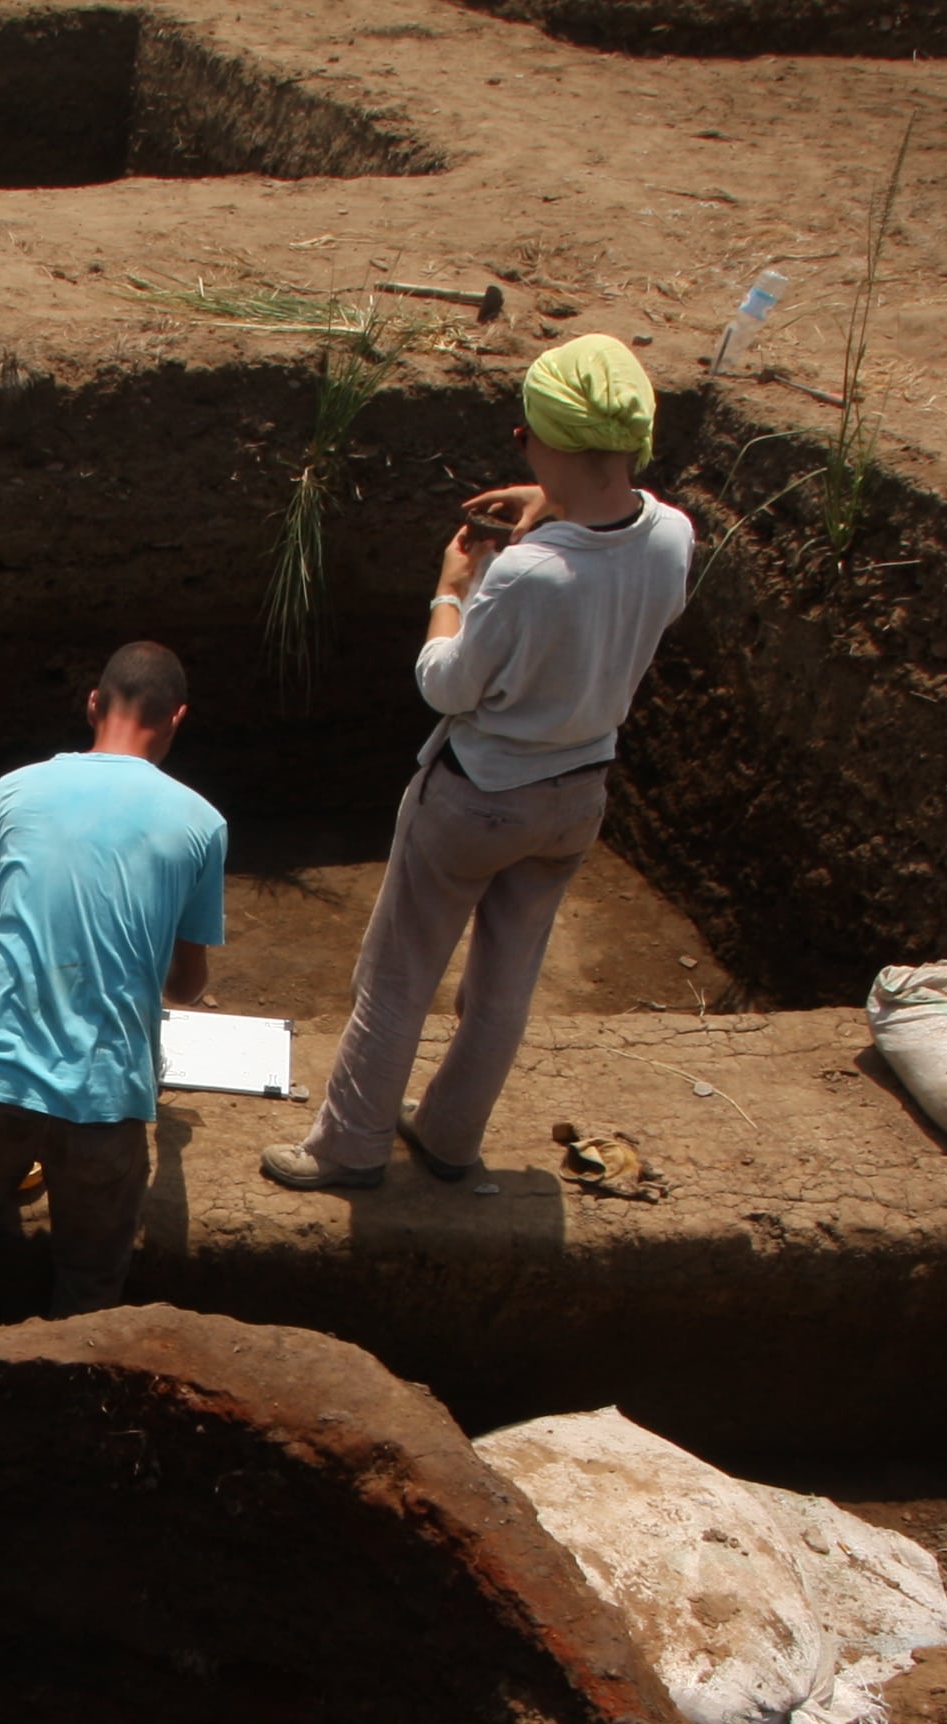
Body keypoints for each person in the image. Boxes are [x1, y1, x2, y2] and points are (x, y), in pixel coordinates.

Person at [264, 333, 692, 1193]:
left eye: (529, 435)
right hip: (577, 795)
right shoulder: (673, 536)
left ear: (559, 443)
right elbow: (617, 532)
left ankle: (349, 1148)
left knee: (397, 978)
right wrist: (555, 496)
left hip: (480, 795)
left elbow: (446, 686)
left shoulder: (529, 573)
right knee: (505, 982)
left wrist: (451, 589)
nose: (522, 446)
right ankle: (453, 1138)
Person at [0, 641, 225, 1327]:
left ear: (92, 704)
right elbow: (186, 987)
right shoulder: (202, 824)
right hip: (105, 1101)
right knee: (88, 1285)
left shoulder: (13, 791)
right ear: (177, 719)